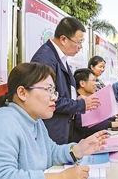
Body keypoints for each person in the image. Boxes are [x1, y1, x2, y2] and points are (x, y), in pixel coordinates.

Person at [0, 62, 110, 179]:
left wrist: (77, 150)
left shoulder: (35, 121)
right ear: (22, 93)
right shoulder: (2, 124)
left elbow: (50, 152)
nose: (54, 97)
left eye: (54, 91)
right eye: (48, 90)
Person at [31, 17, 100, 145]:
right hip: (50, 131)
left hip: (62, 129)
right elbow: (47, 98)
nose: (80, 47)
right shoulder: (45, 59)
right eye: (78, 42)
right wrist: (81, 105)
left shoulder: (60, 58)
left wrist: (76, 100)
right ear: (63, 39)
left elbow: (62, 92)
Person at [69, 68, 118, 142]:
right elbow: (82, 123)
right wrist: (112, 124)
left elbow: (97, 118)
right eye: (93, 80)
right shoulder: (77, 101)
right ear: (82, 83)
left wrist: (116, 119)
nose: (96, 83)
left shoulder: (88, 99)